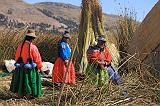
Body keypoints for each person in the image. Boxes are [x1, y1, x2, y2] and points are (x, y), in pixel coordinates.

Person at [10, 29, 44, 99]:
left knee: (21, 82)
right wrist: (40, 68)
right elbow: (37, 59)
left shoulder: (20, 46)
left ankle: (19, 95)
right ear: (33, 38)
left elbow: (17, 57)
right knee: (29, 82)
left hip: (20, 68)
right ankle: (28, 97)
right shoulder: (33, 47)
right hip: (30, 69)